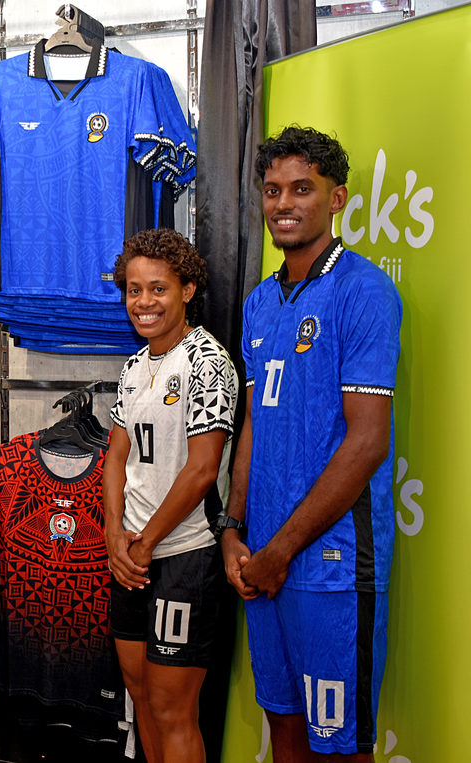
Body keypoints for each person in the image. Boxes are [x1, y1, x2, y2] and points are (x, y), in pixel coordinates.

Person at [219, 126, 402, 761]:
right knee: (286, 734)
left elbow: (367, 443)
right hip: (262, 561)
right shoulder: (259, 303)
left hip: (330, 567)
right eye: (272, 190)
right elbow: (253, 424)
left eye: (302, 188)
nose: (284, 203)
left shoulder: (364, 291)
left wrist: (281, 551)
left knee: (340, 749)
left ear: (337, 198)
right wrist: (234, 528)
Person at [104, 228, 238, 762]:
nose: (144, 302)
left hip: (184, 555)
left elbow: (203, 470)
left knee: (172, 707)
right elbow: (116, 456)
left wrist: (146, 542)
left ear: (187, 290)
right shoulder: (134, 367)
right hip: (131, 556)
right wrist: (114, 535)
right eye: (134, 290)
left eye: (158, 289)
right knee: (140, 694)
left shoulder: (207, 362)